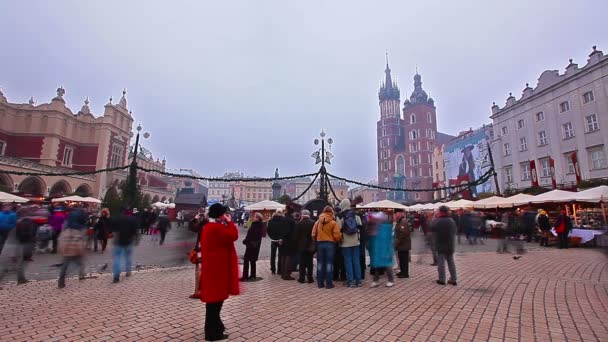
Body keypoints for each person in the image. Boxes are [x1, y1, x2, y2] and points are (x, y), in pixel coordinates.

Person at [199, 203, 240, 341]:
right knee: (215, 304)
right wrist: (230, 222)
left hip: (212, 269)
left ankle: (215, 329)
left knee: (213, 304)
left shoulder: (208, 226)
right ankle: (212, 334)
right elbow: (233, 236)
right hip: (217, 271)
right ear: (220, 214)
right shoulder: (216, 228)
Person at [311, 206, 341, 289]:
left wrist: (316, 240)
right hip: (330, 244)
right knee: (329, 263)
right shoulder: (333, 223)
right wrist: (336, 240)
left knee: (320, 263)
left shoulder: (318, 222)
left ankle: (320, 283)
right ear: (332, 212)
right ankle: (329, 284)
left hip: (320, 243)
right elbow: (337, 235)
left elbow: (313, 233)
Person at [57, 208, 88, 289]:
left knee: (65, 264)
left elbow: (62, 235)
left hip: (67, 246)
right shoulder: (82, 226)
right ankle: (81, 275)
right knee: (81, 262)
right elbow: (83, 237)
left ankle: (61, 281)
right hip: (77, 246)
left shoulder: (67, 224)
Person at [337, 199, 362, 288]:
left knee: (348, 261)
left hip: (345, 242)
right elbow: (360, 225)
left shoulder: (340, 215)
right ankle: (359, 281)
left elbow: (338, 228)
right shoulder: (356, 214)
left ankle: (350, 281)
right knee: (356, 261)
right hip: (356, 241)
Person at [111, 207, 140, 283]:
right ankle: (128, 271)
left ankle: (116, 276)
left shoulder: (117, 218)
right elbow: (136, 231)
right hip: (129, 241)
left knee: (117, 258)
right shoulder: (132, 219)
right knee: (128, 257)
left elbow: (112, 228)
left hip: (118, 241)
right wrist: (137, 239)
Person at [432, 205, 457, 286]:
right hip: (450, 245)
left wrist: (434, 217)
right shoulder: (451, 220)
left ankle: (442, 279)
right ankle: (453, 279)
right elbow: (454, 231)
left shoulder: (438, 221)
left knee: (441, 263)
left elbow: (431, 228)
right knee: (451, 262)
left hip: (441, 245)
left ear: (440, 212)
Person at [368, 211, 395, 287]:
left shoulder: (386, 227)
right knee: (376, 265)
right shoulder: (376, 227)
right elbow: (373, 238)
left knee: (387, 265)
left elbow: (389, 239)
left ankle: (391, 280)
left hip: (385, 249)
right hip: (378, 250)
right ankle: (376, 280)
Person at [294, 210, 315, 284]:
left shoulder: (299, 223)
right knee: (310, 262)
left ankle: (301, 278)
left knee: (302, 263)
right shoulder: (313, 222)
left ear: (302, 215)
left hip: (301, 246)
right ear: (309, 214)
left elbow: (296, 235)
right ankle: (310, 278)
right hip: (310, 245)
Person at [241, 213, 264, 282]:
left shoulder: (256, 225)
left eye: (254, 217)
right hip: (254, 245)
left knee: (246, 260)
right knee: (252, 260)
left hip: (251, 245)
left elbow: (251, 235)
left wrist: (245, 241)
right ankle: (252, 275)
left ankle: (245, 276)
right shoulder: (258, 224)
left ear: (258, 218)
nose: (253, 218)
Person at [279, 207, 297, 280]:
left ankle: (283, 273)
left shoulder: (283, 219)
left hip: (283, 240)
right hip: (289, 241)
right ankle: (287, 274)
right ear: (292, 213)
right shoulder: (291, 220)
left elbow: (281, 230)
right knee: (289, 257)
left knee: (283, 256)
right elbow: (292, 232)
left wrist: (281, 238)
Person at [267, 209, 286, 275]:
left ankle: (273, 269)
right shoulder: (283, 220)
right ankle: (279, 270)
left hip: (273, 240)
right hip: (280, 240)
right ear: (281, 213)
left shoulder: (270, 221)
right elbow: (284, 231)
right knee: (280, 255)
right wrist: (281, 238)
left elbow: (268, 230)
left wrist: (272, 237)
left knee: (273, 255)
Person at [394, 209, 411, 279]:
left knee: (404, 260)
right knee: (401, 258)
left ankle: (405, 273)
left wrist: (397, 242)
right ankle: (402, 271)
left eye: (396, 214)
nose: (395, 215)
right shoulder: (400, 221)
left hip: (404, 244)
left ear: (400, 213)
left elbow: (403, 233)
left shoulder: (403, 221)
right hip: (401, 244)